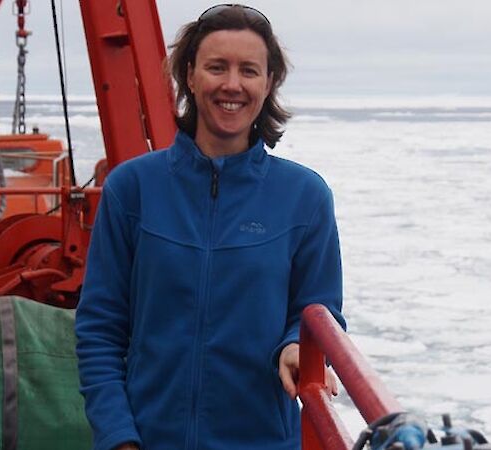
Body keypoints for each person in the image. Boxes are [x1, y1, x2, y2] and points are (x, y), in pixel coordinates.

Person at [75, 5, 345, 450]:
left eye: (249, 70)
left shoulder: (304, 196)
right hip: (148, 439)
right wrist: (119, 437)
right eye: (216, 67)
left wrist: (295, 346)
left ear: (269, 81)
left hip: (262, 441)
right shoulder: (133, 188)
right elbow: (100, 327)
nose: (232, 85)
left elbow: (319, 314)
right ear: (190, 75)